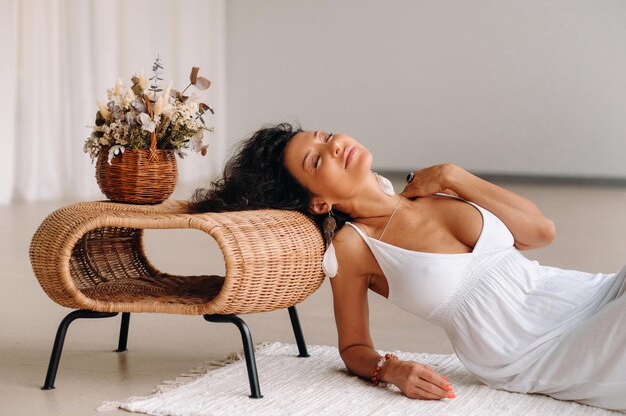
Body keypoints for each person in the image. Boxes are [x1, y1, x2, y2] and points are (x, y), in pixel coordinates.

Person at [191, 123, 626, 412]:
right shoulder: (353, 247)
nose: (335, 144)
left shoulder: (433, 192)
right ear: (318, 202)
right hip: (525, 348)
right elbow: (353, 346)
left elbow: (540, 232)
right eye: (317, 159)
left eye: (324, 136)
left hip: (585, 297)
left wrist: (456, 176)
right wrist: (391, 369)